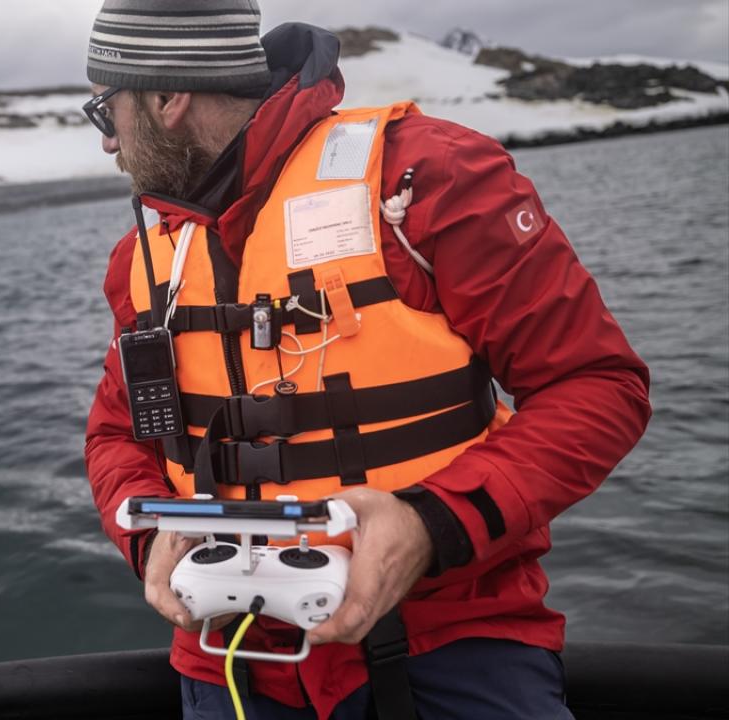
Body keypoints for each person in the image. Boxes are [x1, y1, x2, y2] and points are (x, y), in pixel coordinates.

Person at [80, 2, 652, 719]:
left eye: (106, 111)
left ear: (168, 98)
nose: (109, 143)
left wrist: (430, 524)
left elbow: (597, 385)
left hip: (452, 645)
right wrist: (148, 540)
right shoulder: (140, 260)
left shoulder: (425, 178)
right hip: (228, 664)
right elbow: (115, 436)